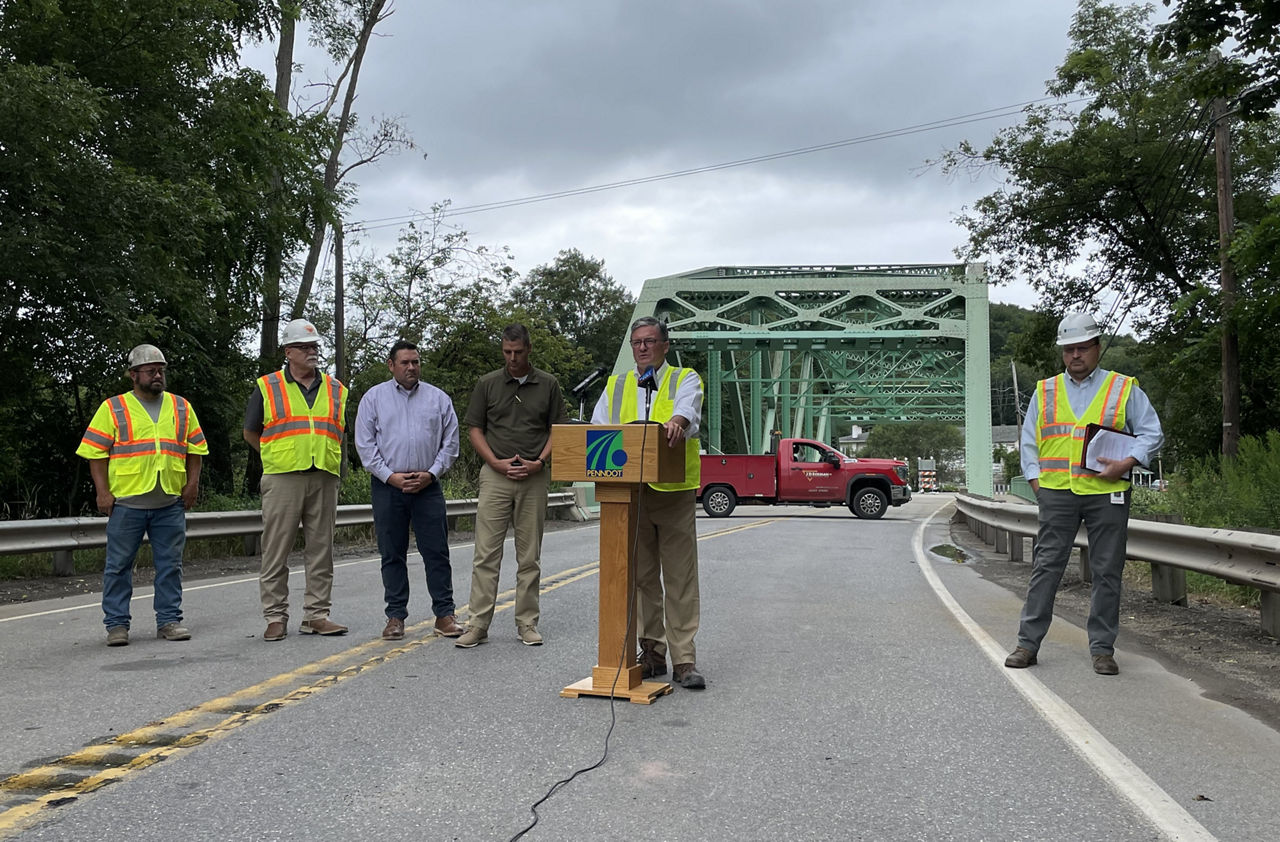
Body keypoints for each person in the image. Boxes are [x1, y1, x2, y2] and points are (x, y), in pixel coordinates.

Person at [1004, 312, 1163, 676]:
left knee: (1108, 571)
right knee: (1046, 568)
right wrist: (1036, 484)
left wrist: (1126, 464)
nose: (1075, 355)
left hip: (1107, 493)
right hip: (1056, 493)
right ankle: (1027, 644)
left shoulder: (1123, 388)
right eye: (1068, 349)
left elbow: (1152, 434)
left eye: (1082, 348)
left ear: (1096, 348)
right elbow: (1029, 443)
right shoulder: (1045, 390)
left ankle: (1103, 650)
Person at [591, 316, 706, 689]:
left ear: (665, 345)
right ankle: (652, 651)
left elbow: (687, 411)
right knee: (641, 578)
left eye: (650, 341)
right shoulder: (617, 385)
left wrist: (675, 421)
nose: (643, 347)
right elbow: (599, 429)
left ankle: (684, 659)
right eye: (637, 342)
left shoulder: (684, 377)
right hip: (630, 493)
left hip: (672, 492)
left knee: (679, 578)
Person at [76, 344, 207, 646]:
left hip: (169, 502)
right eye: (151, 371)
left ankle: (169, 621)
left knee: (170, 565)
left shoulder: (181, 406)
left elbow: (195, 449)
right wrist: (102, 492)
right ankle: (117, 626)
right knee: (118, 566)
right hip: (127, 503)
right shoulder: (114, 408)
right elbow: (96, 453)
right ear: (134, 375)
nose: (158, 375)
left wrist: (192, 484)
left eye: (161, 370)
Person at [455, 325, 569, 649]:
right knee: (486, 554)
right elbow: (475, 429)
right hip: (496, 474)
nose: (513, 358)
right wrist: (493, 461)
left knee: (529, 554)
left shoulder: (548, 384)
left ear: (528, 349)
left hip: (533, 475)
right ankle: (477, 623)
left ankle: (527, 622)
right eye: (507, 352)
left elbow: (558, 429)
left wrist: (541, 462)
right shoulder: (488, 383)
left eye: (518, 352)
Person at [243, 318, 349, 642]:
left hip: (324, 476)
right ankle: (275, 617)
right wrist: (277, 454)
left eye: (314, 346)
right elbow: (251, 431)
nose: (311, 352)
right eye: (304, 347)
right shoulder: (267, 386)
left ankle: (317, 615)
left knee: (321, 550)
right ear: (289, 352)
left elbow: (340, 431)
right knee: (276, 550)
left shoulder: (336, 389)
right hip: (283, 477)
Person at [354, 340, 465, 641]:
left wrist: (431, 473)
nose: (411, 367)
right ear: (391, 365)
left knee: (437, 552)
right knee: (392, 553)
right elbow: (365, 446)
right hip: (388, 487)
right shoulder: (373, 398)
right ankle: (395, 617)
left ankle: (444, 615)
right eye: (404, 362)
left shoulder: (438, 399)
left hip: (428, 486)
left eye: (415, 362)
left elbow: (450, 444)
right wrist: (391, 477)